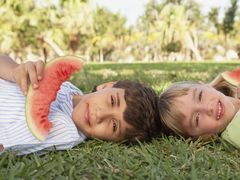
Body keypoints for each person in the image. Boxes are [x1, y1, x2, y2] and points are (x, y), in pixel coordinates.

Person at [0, 55, 161, 155]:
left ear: (114, 141)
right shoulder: (69, 88)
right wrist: (14, 71)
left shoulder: (66, 131)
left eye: (113, 126)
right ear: (106, 86)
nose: (100, 115)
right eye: (112, 101)